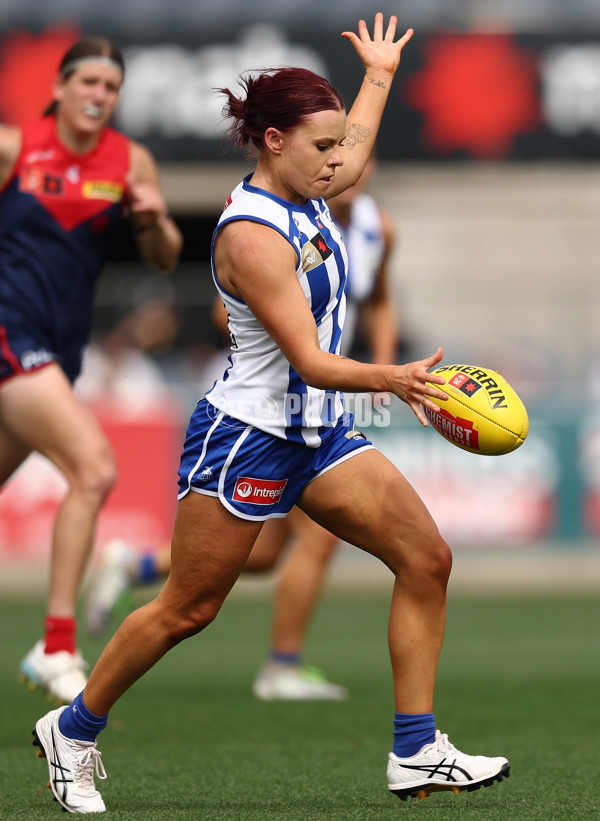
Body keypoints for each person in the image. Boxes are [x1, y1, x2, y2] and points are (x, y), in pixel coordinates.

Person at [32, 15, 510, 814]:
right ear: (274, 141)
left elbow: (354, 150)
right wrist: (395, 378)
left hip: (317, 430)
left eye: (336, 146)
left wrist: (381, 72)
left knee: (427, 559)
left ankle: (416, 747)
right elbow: (313, 361)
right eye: (321, 147)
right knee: (191, 607)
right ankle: (72, 729)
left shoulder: (313, 182)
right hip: (248, 434)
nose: (339, 159)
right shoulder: (253, 236)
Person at [85, 156, 400, 701]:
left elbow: (380, 300)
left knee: (265, 554)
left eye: (357, 154)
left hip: (321, 405)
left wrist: (380, 366)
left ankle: (135, 562)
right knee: (286, 557)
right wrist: (299, 342)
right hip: (263, 410)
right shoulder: (273, 225)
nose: (350, 164)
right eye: (332, 148)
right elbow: (222, 312)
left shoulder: (376, 227)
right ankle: (282, 665)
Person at [0, 36, 182, 706]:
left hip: (60, 351)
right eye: (88, 82)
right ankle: (54, 644)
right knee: (95, 468)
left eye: (111, 87)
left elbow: (164, 257)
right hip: (10, 334)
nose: (99, 96)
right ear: (59, 86)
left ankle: (51, 645)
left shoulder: (130, 161)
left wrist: (153, 216)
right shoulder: (14, 149)